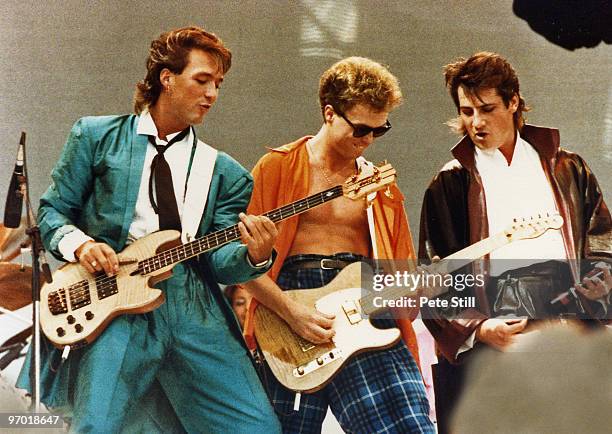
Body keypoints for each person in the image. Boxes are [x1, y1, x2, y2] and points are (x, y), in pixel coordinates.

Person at [17, 26, 281, 433]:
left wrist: (254, 255)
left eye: (219, 84)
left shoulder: (226, 173)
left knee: (256, 427)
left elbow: (221, 263)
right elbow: (52, 211)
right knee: (97, 426)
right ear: (166, 77)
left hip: (193, 303)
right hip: (115, 295)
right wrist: (81, 244)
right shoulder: (96, 136)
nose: (212, 94)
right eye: (202, 80)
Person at [418, 51, 612, 433]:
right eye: (466, 111)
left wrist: (596, 284)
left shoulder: (567, 167)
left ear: (513, 102)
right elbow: (433, 274)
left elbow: (603, 241)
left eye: (486, 109)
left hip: (569, 331)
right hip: (498, 339)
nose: (476, 122)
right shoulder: (451, 182)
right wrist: (479, 328)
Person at [243, 57, 434, 433]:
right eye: (360, 129)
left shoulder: (382, 187)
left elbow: (405, 289)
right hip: (285, 313)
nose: (367, 141)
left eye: (380, 131)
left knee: (410, 427)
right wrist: (289, 312)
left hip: (364, 308)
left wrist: (414, 289)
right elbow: (239, 265)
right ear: (330, 113)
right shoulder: (275, 167)